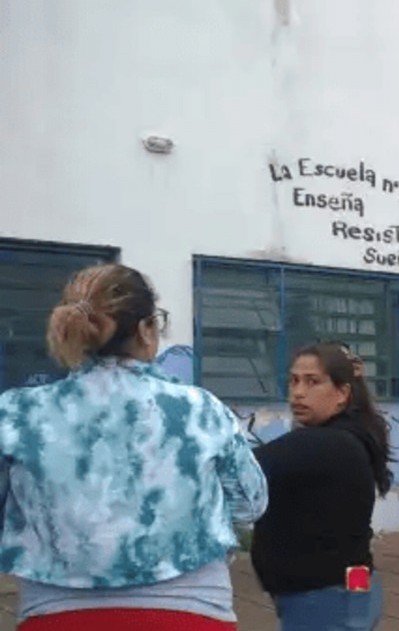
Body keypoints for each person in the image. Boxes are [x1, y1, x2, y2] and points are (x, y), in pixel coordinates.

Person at [0, 263, 267, 630]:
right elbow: (250, 504)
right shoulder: (199, 409)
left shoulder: (17, 414)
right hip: (191, 613)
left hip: (56, 614)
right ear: (146, 329)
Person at [251, 343, 393, 630]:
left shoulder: (327, 443)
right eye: (293, 381)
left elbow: (242, 468)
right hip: (349, 586)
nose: (298, 392)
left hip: (324, 600)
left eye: (312, 382)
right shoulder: (349, 434)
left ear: (342, 393)